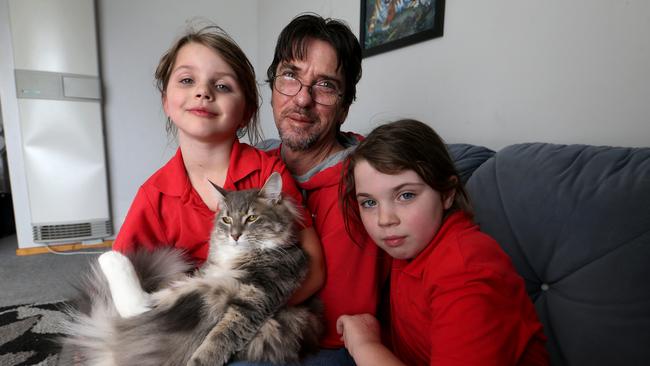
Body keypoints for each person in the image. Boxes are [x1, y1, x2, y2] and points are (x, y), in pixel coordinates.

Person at [112, 25, 324, 305]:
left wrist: (242, 319)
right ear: (166, 101)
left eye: (222, 86)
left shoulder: (266, 172)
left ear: (246, 112)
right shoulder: (155, 195)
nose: (203, 91)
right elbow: (116, 275)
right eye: (187, 80)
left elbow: (315, 270)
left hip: (251, 315)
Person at [336, 119, 549, 365]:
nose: (384, 220)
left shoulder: (466, 268)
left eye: (406, 195)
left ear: (447, 194)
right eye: (369, 203)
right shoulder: (409, 243)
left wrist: (365, 344)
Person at [255, 13, 390, 365]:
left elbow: (336, 326)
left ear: (344, 108)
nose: (302, 99)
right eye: (290, 76)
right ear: (271, 90)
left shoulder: (366, 180)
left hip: (326, 348)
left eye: (326, 85)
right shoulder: (254, 169)